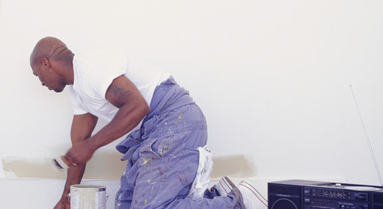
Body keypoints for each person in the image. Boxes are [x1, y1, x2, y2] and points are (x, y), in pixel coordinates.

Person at [29, 37, 267, 209]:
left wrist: (90, 146)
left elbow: (137, 106)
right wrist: (66, 199)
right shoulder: (78, 92)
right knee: (125, 204)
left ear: (46, 63)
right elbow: (77, 150)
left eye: (37, 74)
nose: (41, 83)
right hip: (154, 132)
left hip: (174, 118)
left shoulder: (90, 69)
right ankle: (216, 196)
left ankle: (239, 202)